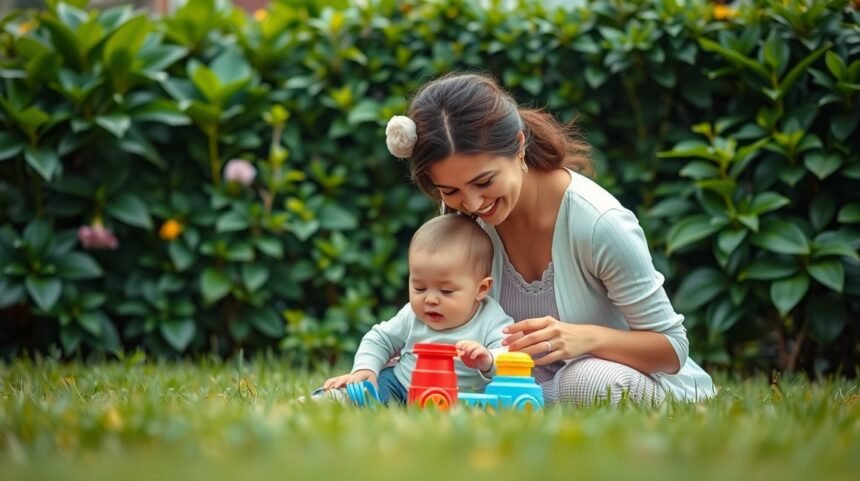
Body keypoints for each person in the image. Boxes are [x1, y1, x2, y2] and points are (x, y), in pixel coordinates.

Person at [383, 72, 715, 405]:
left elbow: (672, 348)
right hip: (508, 379)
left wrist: (586, 339)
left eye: (484, 182)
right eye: (450, 190)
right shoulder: (464, 219)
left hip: (625, 380)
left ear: (519, 146)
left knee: (587, 381)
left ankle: (516, 403)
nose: (471, 204)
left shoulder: (598, 224)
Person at [312, 214, 513, 405]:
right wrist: (366, 369)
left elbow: (510, 358)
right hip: (401, 385)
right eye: (419, 288)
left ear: (481, 288)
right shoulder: (411, 315)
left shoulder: (491, 319)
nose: (430, 299)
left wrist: (488, 360)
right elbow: (380, 339)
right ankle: (329, 399)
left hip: (463, 397)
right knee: (365, 391)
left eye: (446, 291)